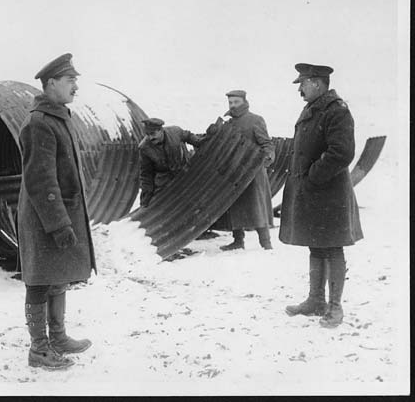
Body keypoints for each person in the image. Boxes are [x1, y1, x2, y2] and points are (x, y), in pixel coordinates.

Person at [18, 53, 96, 370]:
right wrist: (59, 224)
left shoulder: (57, 117)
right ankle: (39, 349)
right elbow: (41, 180)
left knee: (57, 274)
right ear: (52, 83)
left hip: (55, 213)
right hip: (43, 216)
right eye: (70, 80)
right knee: (39, 280)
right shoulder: (39, 123)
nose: (75, 86)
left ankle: (58, 336)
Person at [280, 63, 363, 328]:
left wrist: (313, 176)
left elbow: (342, 151)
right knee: (316, 245)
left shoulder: (336, 111)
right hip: (313, 193)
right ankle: (316, 300)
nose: (300, 90)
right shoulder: (313, 109)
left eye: (303, 84)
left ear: (317, 83)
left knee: (332, 247)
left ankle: (335, 307)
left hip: (329, 193)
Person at [210, 90, 275, 250]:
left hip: (253, 171)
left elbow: (266, 143)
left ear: (244, 102)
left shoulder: (255, 120)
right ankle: (238, 241)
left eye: (236, 102)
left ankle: (266, 243)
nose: (232, 105)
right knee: (235, 205)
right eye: (230, 102)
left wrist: (267, 157)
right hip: (234, 172)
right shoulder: (229, 123)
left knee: (257, 205)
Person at [138, 118, 205, 208]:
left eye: (153, 134)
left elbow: (188, 136)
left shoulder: (175, 132)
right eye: (148, 134)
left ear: (161, 130)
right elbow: (146, 174)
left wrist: (198, 141)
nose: (150, 138)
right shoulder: (144, 148)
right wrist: (146, 196)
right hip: (165, 181)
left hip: (185, 172)